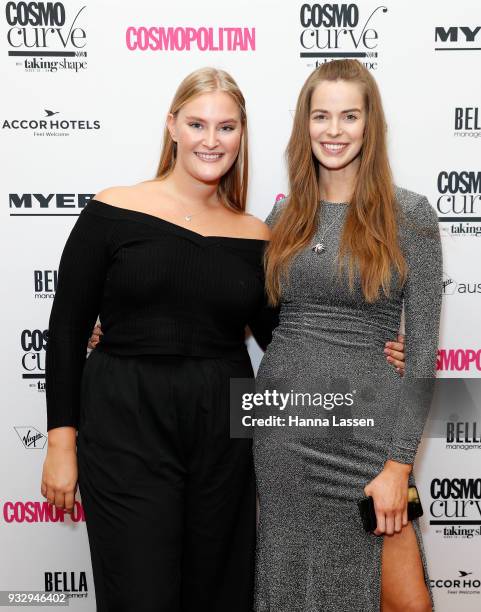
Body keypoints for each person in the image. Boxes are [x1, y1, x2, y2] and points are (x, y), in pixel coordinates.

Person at [41, 65, 406, 611]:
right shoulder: (113, 209)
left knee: (218, 594)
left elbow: (287, 334)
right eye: (197, 124)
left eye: (227, 127)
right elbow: (67, 327)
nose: (211, 140)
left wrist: (372, 350)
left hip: (225, 431)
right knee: (141, 595)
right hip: (126, 425)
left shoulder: (257, 234)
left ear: (242, 135)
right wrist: (60, 442)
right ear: (172, 126)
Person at [253, 59, 442, 612]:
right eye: (321, 116)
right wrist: (120, 328)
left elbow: (424, 353)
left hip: (370, 441)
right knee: (294, 592)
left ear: (370, 124)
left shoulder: (410, 216)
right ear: (304, 125)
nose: (334, 130)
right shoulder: (285, 218)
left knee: (408, 603)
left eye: (349, 116)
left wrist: (399, 464)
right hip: (286, 433)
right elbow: (231, 303)